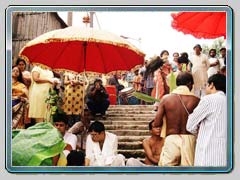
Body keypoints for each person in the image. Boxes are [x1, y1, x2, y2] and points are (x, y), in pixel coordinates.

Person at [154, 72, 200, 166]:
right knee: (188, 172)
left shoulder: (166, 99)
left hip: (171, 138)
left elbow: (157, 123)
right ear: (189, 83)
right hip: (189, 139)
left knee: (168, 171)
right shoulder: (196, 100)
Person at [186, 74, 227, 166]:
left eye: (206, 85)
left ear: (211, 85)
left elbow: (190, 125)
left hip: (208, 152)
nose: (205, 88)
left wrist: (200, 132)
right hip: (225, 156)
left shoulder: (208, 100)